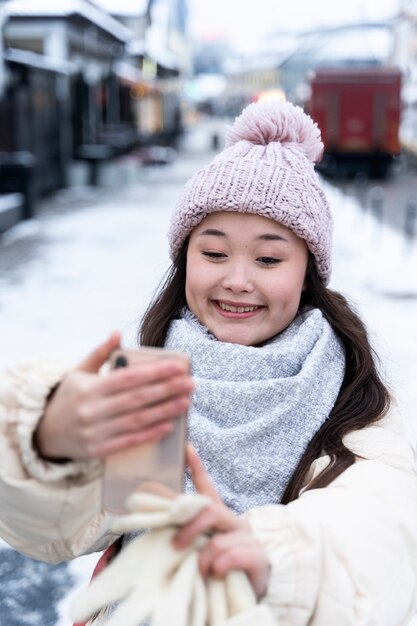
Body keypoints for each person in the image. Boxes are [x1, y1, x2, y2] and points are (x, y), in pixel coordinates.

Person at [1, 98, 417, 625]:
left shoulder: (353, 403)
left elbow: (378, 544)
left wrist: (272, 564)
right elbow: (59, 530)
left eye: (268, 258)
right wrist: (47, 441)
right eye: (214, 253)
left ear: (308, 272)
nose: (237, 280)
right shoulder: (156, 379)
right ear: (185, 259)